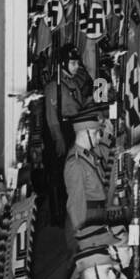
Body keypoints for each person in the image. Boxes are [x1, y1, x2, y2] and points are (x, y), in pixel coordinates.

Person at [43, 43, 93, 224]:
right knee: (58, 175)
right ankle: (58, 216)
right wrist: (58, 139)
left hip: (73, 128)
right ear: (63, 64)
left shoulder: (71, 83)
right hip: (61, 130)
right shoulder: (53, 87)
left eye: (76, 63)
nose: (76, 66)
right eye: (72, 63)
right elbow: (51, 117)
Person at [62, 102, 109, 253]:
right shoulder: (75, 163)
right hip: (85, 221)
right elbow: (76, 205)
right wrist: (83, 238)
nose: (98, 138)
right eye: (96, 134)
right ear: (86, 132)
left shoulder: (88, 155)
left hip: (95, 216)